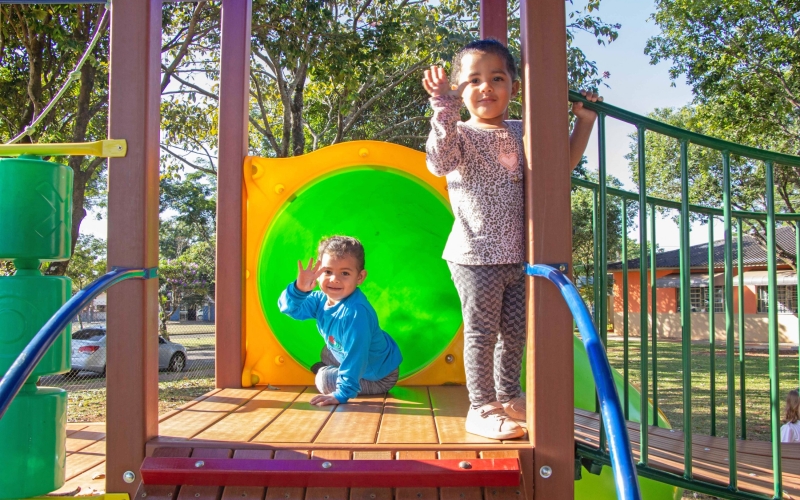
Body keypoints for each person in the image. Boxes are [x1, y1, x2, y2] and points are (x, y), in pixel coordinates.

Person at [422, 39, 601, 440]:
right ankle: (481, 406)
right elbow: (439, 161)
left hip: (519, 256)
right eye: (473, 81)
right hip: (474, 253)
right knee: (482, 333)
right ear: (459, 90)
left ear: (514, 88)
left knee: (515, 332)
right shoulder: (460, 134)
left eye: (497, 78)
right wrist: (442, 109)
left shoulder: (525, 131)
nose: (486, 88)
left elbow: (561, 164)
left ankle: (509, 396)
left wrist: (584, 122)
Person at [278, 235, 402, 407]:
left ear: (360, 277)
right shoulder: (320, 299)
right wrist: (299, 290)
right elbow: (290, 309)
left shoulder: (355, 313)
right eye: (328, 272)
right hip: (360, 357)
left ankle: (328, 373)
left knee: (323, 380)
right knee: (327, 349)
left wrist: (341, 394)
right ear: (319, 271)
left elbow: (356, 357)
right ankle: (332, 369)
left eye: (344, 273)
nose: (334, 279)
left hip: (378, 376)